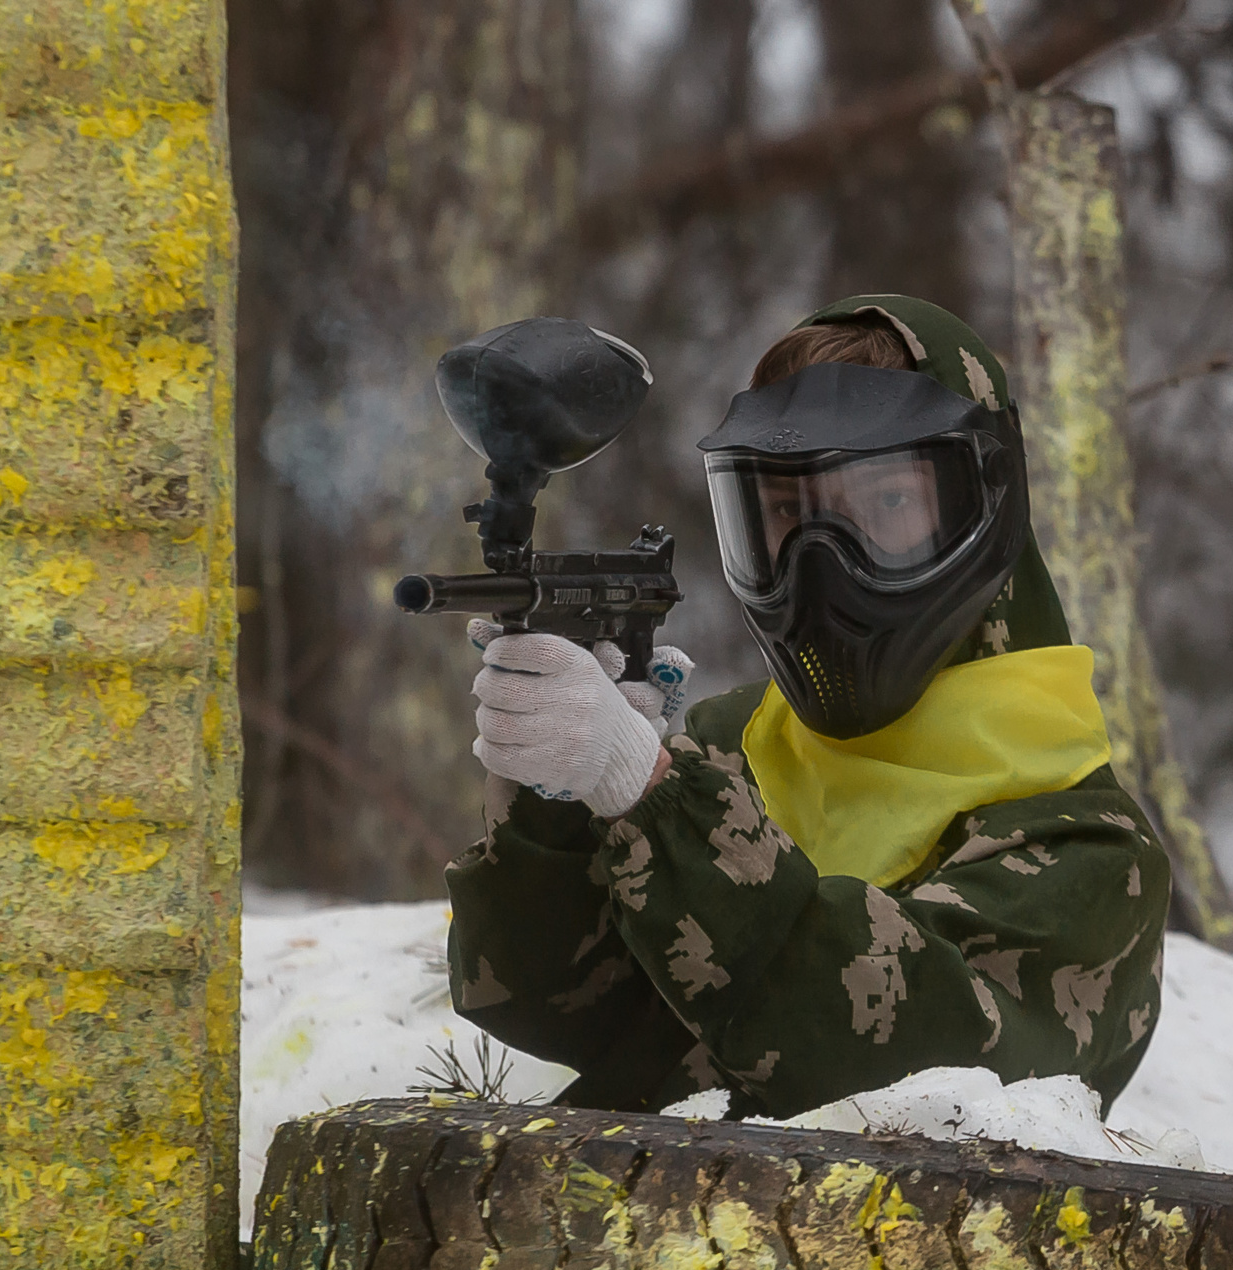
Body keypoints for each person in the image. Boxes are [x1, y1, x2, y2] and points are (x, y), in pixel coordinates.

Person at [443, 293, 1171, 1119]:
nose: (822, 565)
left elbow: (899, 1079)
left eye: (888, 506)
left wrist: (653, 796)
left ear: (984, 504)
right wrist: (559, 796)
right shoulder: (726, 749)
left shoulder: (1094, 855)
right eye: (787, 514)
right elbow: (540, 998)